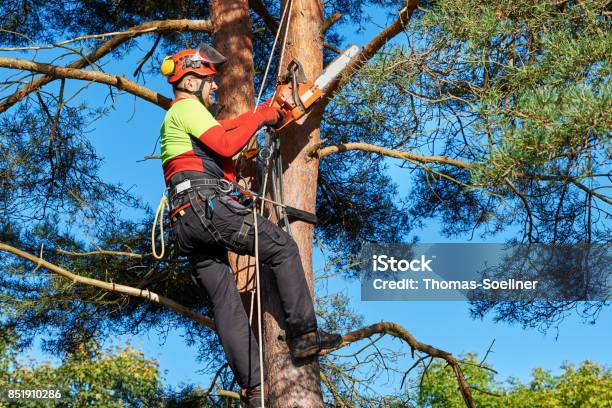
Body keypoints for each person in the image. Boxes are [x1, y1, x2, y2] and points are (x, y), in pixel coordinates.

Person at [159, 44, 342, 407]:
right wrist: (262, 115)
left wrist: (266, 113)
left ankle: (255, 388)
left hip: (185, 223)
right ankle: (304, 335)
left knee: (225, 302)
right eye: (210, 81)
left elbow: (224, 135)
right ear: (191, 80)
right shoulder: (187, 109)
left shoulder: (184, 121)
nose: (214, 88)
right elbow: (227, 143)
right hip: (204, 209)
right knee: (281, 247)